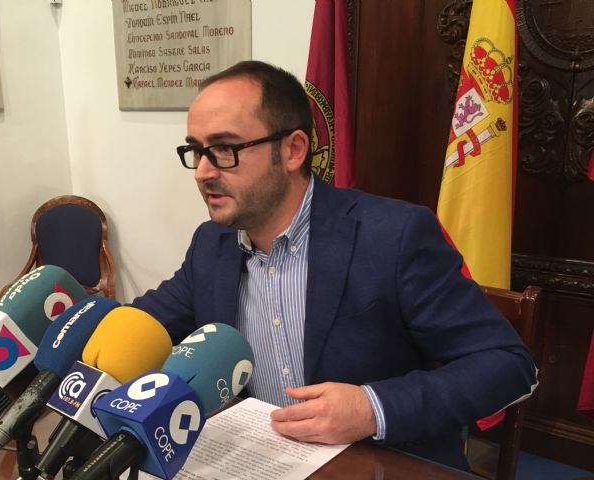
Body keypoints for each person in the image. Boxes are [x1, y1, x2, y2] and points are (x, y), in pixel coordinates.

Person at [131, 60, 537, 470]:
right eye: (196, 151)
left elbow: (508, 364)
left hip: (383, 465)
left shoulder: (393, 236)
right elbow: (140, 328)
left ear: (293, 150)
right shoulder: (211, 244)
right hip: (263, 460)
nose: (202, 172)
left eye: (224, 149)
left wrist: (372, 408)